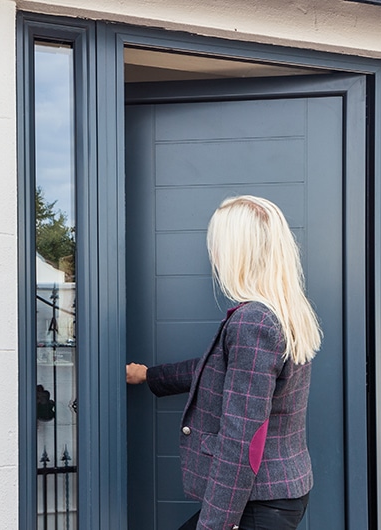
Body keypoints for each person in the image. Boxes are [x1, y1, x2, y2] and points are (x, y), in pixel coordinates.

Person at [126, 195, 322, 530]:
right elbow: (220, 369)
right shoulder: (283, 311)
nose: (213, 254)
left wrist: (214, 524)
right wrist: (150, 376)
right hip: (275, 493)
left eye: (217, 244)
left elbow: (242, 438)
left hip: (258, 503)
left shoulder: (253, 322)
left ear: (236, 252)